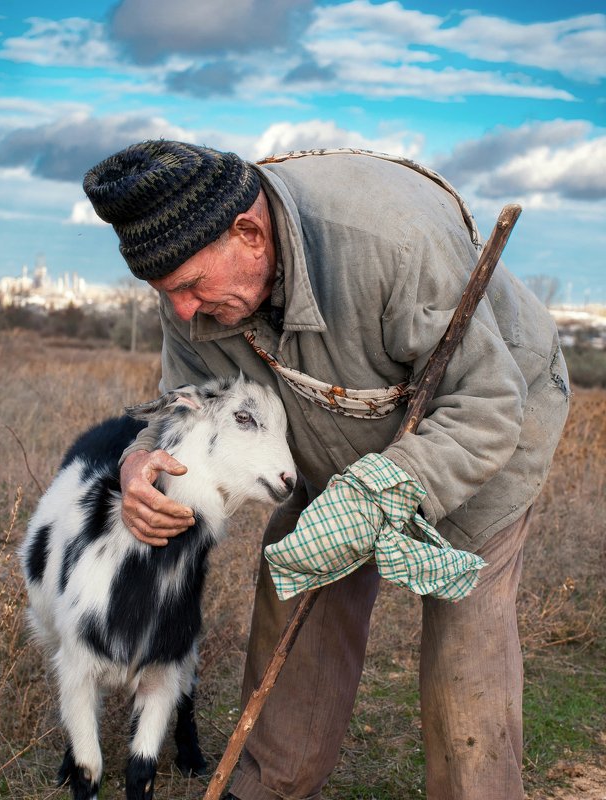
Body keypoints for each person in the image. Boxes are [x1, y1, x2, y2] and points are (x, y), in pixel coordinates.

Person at [83, 141, 570, 800]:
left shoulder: (392, 240)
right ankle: (269, 786)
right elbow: (183, 410)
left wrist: (381, 490)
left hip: (482, 423)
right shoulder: (195, 293)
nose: (183, 311)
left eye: (191, 287)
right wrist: (140, 464)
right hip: (335, 433)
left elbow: (485, 405)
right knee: (297, 576)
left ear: (250, 234)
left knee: (466, 637)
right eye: (167, 294)